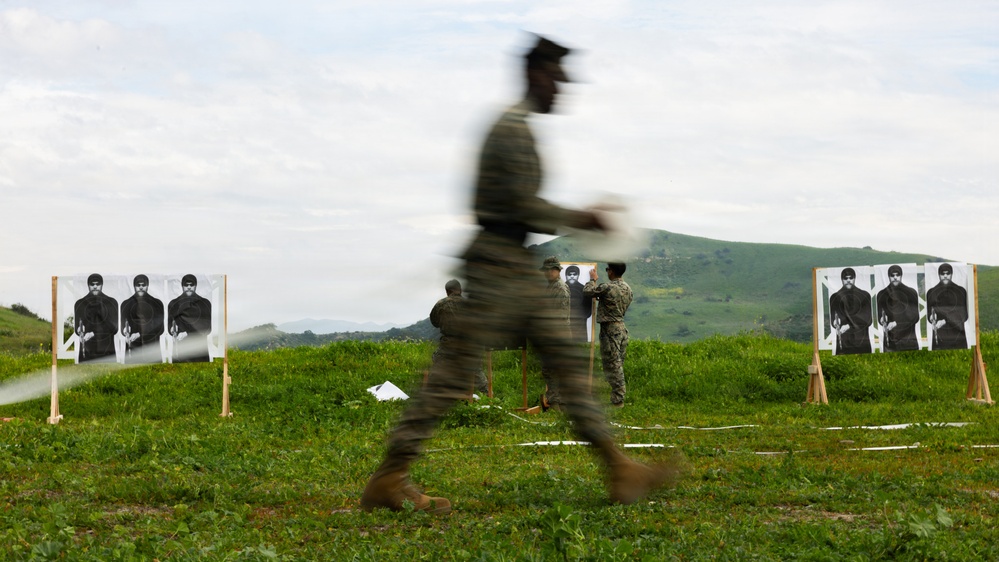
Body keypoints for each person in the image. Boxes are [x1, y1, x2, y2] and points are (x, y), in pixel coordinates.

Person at [360, 35, 679, 515]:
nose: (561, 90)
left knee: (564, 368)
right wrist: (582, 216)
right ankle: (388, 477)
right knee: (454, 376)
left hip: (507, 264)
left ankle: (618, 468)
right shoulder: (512, 129)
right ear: (535, 74)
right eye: (556, 78)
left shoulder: (515, 127)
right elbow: (518, 204)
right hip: (498, 264)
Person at [583, 263, 634, 407]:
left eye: (608, 270)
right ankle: (618, 396)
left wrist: (593, 279)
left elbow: (587, 292)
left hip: (610, 329)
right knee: (618, 363)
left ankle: (618, 399)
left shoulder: (607, 287)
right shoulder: (628, 288)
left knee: (613, 364)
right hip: (622, 328)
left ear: (611, 272)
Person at [429, 279, 488, 394]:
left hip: (449, 344)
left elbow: (435, 322)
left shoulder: (441, 304)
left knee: (438, 366)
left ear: (447, 291)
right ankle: (488, 396)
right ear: (460, 290)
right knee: (476, 372)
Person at [539, 255, 570, 410]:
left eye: (547, 270)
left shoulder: (559, 288)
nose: (545, 273)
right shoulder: (551, 286)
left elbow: (561, 316)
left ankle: (558, 403)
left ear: (555, 270)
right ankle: (556, 402)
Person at [74, 273, 119, 363]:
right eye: (92, 284)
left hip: (107, 351)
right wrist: (79, 329)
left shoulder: (111, 302)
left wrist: (92, 333)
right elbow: (77, 328)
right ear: (88, 285)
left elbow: (114, 329)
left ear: (102, 285)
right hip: (87, 353)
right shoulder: (80, 303)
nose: (95, 286)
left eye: (97, 284)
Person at [120, 274, 165, 363]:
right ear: (134, 286)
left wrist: (140, 333)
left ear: (147, 285)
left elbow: (160, 328)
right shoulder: (126, 304)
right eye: (138, 285)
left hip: (152, 350)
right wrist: (125, 330)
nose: (141, 287)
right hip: (132, 351)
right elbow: (122, 327)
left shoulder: (157, 303)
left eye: (143, 285)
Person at [167, 274, 213, 363]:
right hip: (180, 352)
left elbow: (208, 328)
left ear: (195, 286)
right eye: (186, 285)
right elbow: (169, 326)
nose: (188, 287)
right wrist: (172, 329)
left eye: (191, 285)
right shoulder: (173, 304)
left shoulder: (205, 303)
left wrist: (187, 333)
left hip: (200, 352)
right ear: (182, 286)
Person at [875, 265, 919, 352]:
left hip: (908, 340)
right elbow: (880, 315)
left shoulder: (911, 292)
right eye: (892, 275)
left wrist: (896, 322)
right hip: (890, 341)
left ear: (901, 276)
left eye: (897, 275)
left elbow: (915, 316)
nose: (895, 277)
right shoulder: (882, 294)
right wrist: (882, 320)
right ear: (889, 276)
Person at [828, 267, 872, 355]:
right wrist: (836, 322)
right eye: (846, 278)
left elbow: (868, 319)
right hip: (844, 343)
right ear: (842, 279)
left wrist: (848, 325)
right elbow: (834, 318)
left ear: (854, 278)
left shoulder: (865, 295)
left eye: (850, 278)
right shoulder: (835, 297)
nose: (848, 280)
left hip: (862, 341)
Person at [926, 263, 969, 350]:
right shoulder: (931, 292)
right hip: (939, 338)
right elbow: (929, 313)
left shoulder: (960, 291)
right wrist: (931, 317)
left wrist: (945, 320)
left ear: (951, 274)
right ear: (939, 274)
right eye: (943, 273)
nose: (945, 276)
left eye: (947, 273)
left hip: (957, 337)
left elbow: (964, 314)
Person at [564, 265, 592, 343]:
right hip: (564, 321)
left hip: (580, 322)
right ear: (566, 275)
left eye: (574, 274)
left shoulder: (584, 288)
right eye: (570, 274)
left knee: (580, 344)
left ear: (578, 275)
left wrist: (582, 317)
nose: (572, 276)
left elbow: (589, 307)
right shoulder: (560, 288)